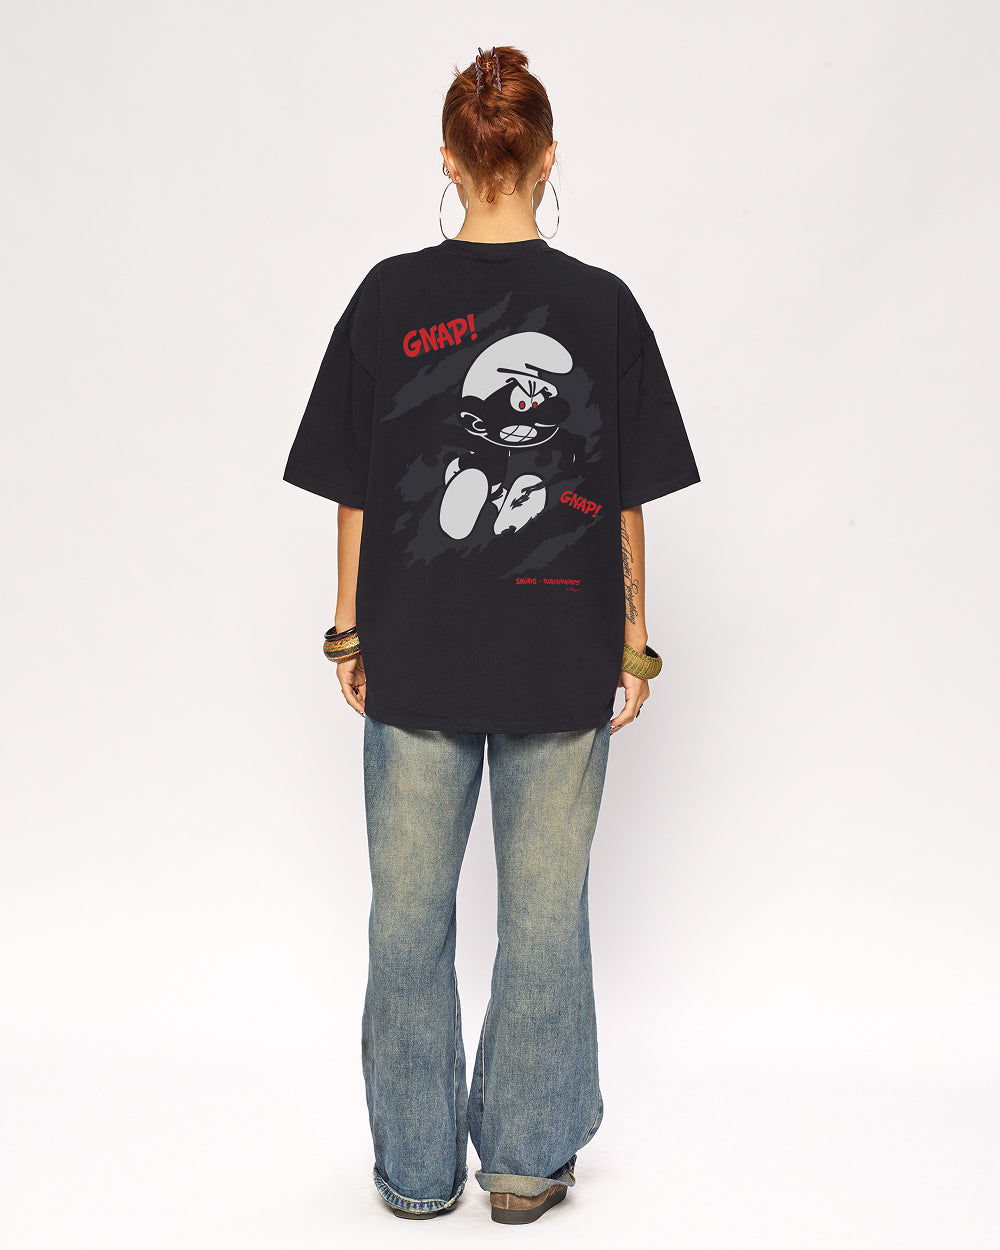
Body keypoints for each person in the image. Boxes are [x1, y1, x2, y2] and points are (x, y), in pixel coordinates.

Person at [282, 45, 701, 1225]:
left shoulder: (385, 297)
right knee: (544, 921)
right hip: (561, 656)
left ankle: (418, 1170)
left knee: (406, 925)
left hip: (413, 650)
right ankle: (520, 1162)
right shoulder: (603, 305)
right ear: (548, 158)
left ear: (449, 161)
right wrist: (633, 640)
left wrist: (347, 633)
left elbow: (352, 490)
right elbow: (626, 495)